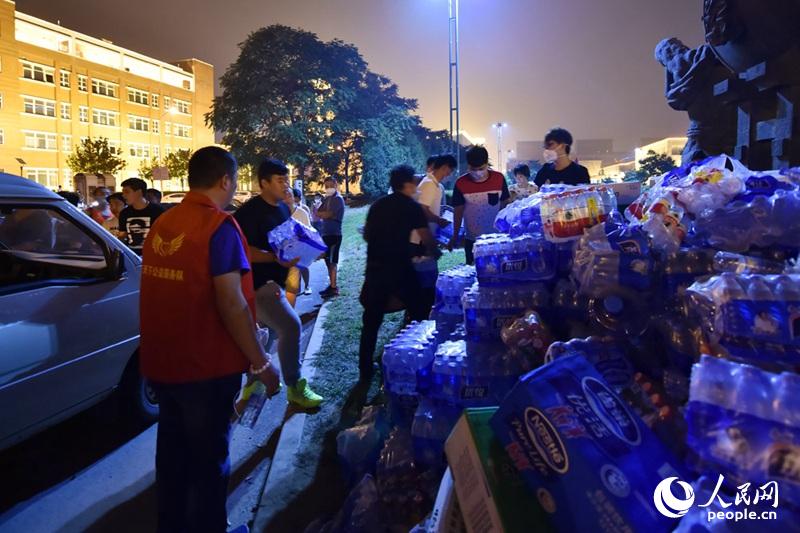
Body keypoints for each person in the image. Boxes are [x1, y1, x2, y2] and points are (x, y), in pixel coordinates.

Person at [139, 146, 280, 533]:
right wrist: (261, 363)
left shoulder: (164, 223)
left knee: (172, 457)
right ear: (225, 180)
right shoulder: (218, 227)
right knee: (209, 462)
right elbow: (232, 303)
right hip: (205, 367)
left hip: (163, 363)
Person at [234, 158, 323, 408]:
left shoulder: (282, 208)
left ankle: (254, 382)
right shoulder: (248, 213)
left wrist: (308, 250)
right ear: (264, 183)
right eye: (280, 180)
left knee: (269, 333)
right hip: (259, 285)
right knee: (291, 326)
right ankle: (295, 387)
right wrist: (274, 258)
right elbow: (242, 251)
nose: (286, 185)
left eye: (287, 179)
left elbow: (285, 242)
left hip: (277, 280)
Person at [358, 165, 438, 380]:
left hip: (375, 268)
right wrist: (434, 251)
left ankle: (365, 368)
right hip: (401, 269)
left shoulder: (378, 205)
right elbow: (425, 236)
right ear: (406, 184)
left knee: (371, 322)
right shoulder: (412, 207)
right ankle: (419, 358)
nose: (416, 186)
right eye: (414, 182)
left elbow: (367, 234)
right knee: (419, 312)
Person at [448, 146, 510, 265]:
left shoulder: (499, 179)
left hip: (496, 238)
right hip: (473, 240)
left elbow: (505, 204)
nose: (477, 173)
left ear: (487, 163)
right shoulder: (461, 183)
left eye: (481, 168)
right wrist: (455, 235)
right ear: (468, 166)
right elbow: (458, 211)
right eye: (473, 169)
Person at [413, 154, 457, 311]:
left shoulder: (434, 185)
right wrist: (438, 220)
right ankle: (421, 312)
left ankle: (423, 309)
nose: (448, 175)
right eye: (449, 171)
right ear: (444, 167)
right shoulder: (429, 185)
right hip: (420, 240)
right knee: (425, 280)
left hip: (427, 237)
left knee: (429, 277)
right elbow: (422, 210)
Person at [314, 176, 345, 298]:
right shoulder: (327, 199)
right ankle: (331, 285)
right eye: (326, 186)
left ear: (336, 185)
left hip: (334, 234)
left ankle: (334, 288)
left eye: (331, 186)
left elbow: (328, 214)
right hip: (326, 234)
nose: (328, 188)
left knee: (332, 261)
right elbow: (318, 212)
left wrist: (325, 214)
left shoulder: (338, 199)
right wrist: (324, 214)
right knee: (327, 261)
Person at [119, 178, 165, 254]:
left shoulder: (157, 211)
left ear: (139, 192)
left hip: (153, 254)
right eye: (123, 192)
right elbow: (122, 236)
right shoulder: (124, 213)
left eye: (127, 192)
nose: (123, 196)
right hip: (132, 256)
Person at [285, 187, 312, 299]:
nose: (286, 199)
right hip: (286, 248)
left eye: (289, 196)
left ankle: (307, 286)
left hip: (301, 246)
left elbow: (308, 230)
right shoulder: (280, 213)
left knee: (303, 266)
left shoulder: (302, 213)